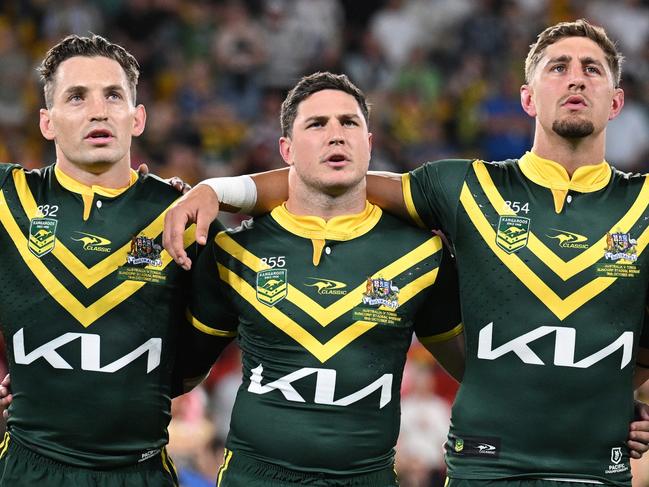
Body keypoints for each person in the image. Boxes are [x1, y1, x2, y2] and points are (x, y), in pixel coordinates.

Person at [164, 20, 649, 485]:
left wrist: (613, 394)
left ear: (616, 102)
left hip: (594, 469)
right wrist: (217, 190)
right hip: (485, 468)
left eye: (592, 69)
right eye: (558, 67)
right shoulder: (463, 186)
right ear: (527, 97)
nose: (576, 80)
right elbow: (331, 183)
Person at [181, 71, 465, 486]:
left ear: (368, 144)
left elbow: (471, 368)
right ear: (287, 149)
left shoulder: (423, 254)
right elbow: (184, 372)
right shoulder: (234, 251)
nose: (336, 135)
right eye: (317, 124)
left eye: (349, 123)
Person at [0, 34, 221, 487]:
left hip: (139, 472)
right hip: (27, 468)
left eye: (113, 96)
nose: (98, 111)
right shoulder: (8, 199)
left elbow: (200, 353)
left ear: (137, 118)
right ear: (47, 122)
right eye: (76, 97)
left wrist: (224, 190)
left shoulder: (183, 214)